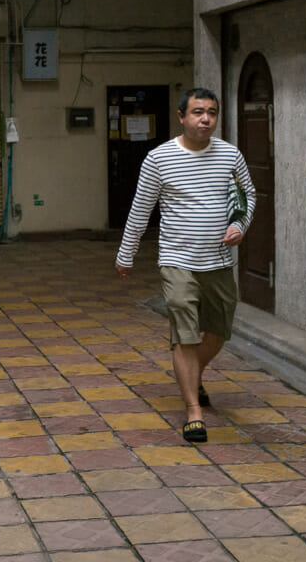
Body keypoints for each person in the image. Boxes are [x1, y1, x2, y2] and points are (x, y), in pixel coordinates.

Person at [115, 88, 255, 444]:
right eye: (197, 112)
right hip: (178, 261)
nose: (205, 119)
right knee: (185, 332)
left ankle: (192, 374)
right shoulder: (159, 158)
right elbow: (141, 207)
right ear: (181, 116)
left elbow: (246, 196)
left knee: (219, 332)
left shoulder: (230, 155)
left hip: (219, 260)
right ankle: (193, 410)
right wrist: (125, 253)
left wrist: (240, 225)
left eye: (211, 112)